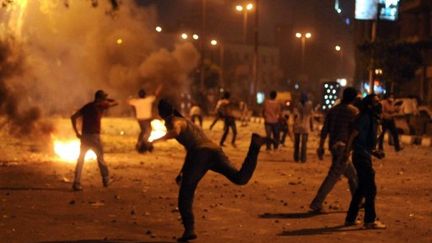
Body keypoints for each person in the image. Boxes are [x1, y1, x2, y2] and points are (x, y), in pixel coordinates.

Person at [152, 99, 269, 241]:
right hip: (214, 151)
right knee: (239, 178)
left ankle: (189, 230)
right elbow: (191, 148)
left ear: (161, 113)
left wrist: (156, 141)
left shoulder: (174, 121)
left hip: (201, 154)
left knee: (186, 193)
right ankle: (255, 146)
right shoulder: (187, 122)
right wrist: (183, 171)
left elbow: (177, 131)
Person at [309, 87, 359, 213]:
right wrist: (348, 150)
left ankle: (358, 201)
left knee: (353, 175)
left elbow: (324, 130)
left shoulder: (333, 110)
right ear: (353, 98)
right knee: (333, 177)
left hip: (334, 147)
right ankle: (316, 203)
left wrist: (321, 147)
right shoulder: (353, 112)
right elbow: (354, 133)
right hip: (344, 148)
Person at [343, 94, 386, 229]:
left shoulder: (371, 118)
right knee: (370, 188)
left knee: (361, 189)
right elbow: (353, 135)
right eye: (376, 102)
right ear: (369, 105)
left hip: (364, 155)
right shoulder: (365, 118)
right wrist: (346, 152)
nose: (379, 104)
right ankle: (369, 220)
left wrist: (375, 152)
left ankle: (350, 218)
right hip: (361, 157)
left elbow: (365, 142)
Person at [71, 90, 118, 191]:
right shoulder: (100, 106)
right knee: (100, 158)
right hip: (94, 137)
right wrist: (107, 100)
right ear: (100, 99)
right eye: (103, 98)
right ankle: (106, 180)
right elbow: (116, 102)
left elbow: (73, 117)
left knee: (81, 160)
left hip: (84, 137)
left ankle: (76, 183)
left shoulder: (87, 106)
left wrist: (77, 133)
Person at [128, 85, 162, 153]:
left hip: (140, 119)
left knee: (143, 132)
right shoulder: (148, 100)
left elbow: (128, 101)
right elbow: (155, 94)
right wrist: (159, 88)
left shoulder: (136, 101)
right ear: (145, 95)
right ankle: (144, 146)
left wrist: (132, 97)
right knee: (147, 132)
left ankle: (143, 145)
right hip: (146, 119)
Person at [293, 93, 313, 162]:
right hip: (305, 127)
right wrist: (312, 126)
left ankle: (296, 158)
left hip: (297, 126)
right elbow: (311, 117)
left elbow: (294, 116)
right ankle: (303, 159)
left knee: (296, 144)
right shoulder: (310, 106)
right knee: (304, 145)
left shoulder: (297, 105)